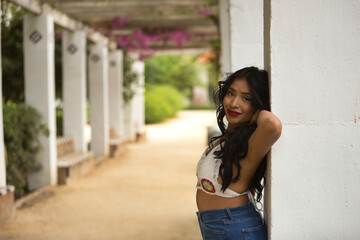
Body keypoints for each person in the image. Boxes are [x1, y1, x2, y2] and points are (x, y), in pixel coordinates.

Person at [196, 67, 282, 240]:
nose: (234, 103)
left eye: (246, 98)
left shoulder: (250, 143)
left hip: (235, 227)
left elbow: (272, 123)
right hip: (219, 226)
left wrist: (256, 113)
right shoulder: (229, 137)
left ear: (258, 103)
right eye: (230, 93)